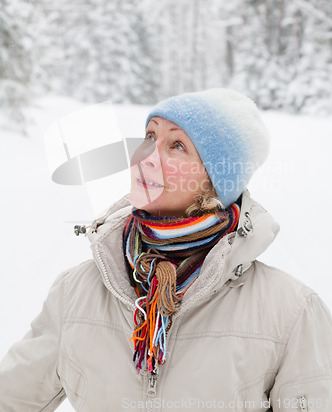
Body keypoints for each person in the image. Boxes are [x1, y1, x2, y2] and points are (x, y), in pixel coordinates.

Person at [0, 88, 331, 411]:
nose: (147, 156)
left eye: (177, 145)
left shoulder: (291, 312)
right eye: (149, 136)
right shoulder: (75, 295)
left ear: (216, 181)